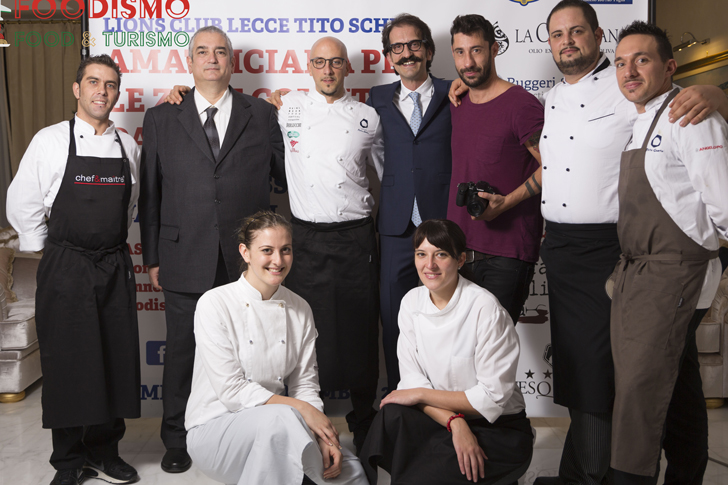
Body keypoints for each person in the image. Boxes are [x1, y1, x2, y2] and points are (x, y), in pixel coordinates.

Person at [450, 3, 728, 483]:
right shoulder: (553, 98)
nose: (566, 42)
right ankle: (653, 469)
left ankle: (592, 473)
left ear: (598, 36)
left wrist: (715, 93)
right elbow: (549, 166)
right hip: (561, 248)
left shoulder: (628, 88)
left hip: (612, 249)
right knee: (659, 369)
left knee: (608, 373)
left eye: (576, 31)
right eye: (557, 35)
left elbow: (680, 107)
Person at [164, 36, 384, 453]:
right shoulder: (286, 107)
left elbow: (388, 174)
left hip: (356, 235)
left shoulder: (368, 116)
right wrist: (182, 93)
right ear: (309, 66)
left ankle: (365, 426)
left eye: (336, 63)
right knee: (303, 333)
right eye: (319, 62)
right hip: (306, 235)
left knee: (360, 330)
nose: (328, 70)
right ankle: (305, 421)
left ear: (348, 68)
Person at [138, 25, 285, 473]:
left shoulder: (262, 113)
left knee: (247, 352)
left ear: (231, 61)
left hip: (246, 259)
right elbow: (150, 194)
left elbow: (284, 178)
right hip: (184, 253)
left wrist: (292, 118)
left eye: (220, 52)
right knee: (183, 351)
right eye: (202, 51)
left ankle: (244, 431)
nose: (212, 59)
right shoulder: (162, 117)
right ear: (190, 61)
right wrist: (152, 256)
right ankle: (176, 438)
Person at [7, 55, 141, 485]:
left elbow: (132, 206)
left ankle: (106, 452)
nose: (102, 91)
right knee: (67, 363)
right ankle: (67, 462)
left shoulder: (128, 146)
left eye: (111, 84)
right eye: (94, 82)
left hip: (113, 264)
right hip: (66, 264)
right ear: (77, 89)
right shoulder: (49, 140)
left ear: (117, 93)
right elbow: (23, 201)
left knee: (114, 359)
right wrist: (46, 249)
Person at [609, 21, 728, 485]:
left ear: (669, 66)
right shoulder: (640, 122)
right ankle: (686, 474)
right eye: (621, 62)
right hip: (640, 273)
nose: (629, 71)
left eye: (641, 60)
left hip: (675, 274)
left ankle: (629, 478)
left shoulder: (691, 116)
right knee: (678, 386)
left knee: (639, 390)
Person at [186, 210, 368, 485]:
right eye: (267, 250)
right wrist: (304, 411)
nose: (278, 260)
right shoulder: (215, 303)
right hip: (216, 429)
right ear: (245, 252)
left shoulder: (300, 308)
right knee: (281, 421)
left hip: (280, 428)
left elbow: (305, 385)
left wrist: (324, 436)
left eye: (286, 250)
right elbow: (232, 390)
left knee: (350, 471)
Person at [359, 219, 533, 485]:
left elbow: (491, 397)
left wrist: (422, 395)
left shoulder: (485, 308)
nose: (429, 265)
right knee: (390, 416)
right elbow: (413, 383)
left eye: (440, 254)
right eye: (421, 254)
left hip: (496, 427)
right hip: (442, 419)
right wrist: (454, 422)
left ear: (460, 259)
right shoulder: (411, 302)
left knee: (422, 477)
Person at [368, 14, 454, 392]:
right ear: (389, 56)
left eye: (414, 44)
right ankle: (399, 397)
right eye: (397, 47)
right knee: (393, 318)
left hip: (444, 222)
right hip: (395, 226)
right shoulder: (376, 98)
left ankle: (444, 399)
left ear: (429, 51)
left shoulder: (455, 93)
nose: (407, 53)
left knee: (448, 316)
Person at [447, 14, 544, 326]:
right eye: (460, 52)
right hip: (459, 249)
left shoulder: (522, 105)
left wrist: (506, 203)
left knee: (493, 348)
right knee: (459, 347)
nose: (468, 62)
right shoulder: (457, 101)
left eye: (476, 50)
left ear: (494, 49)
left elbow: (555, 166)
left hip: (506, 254)